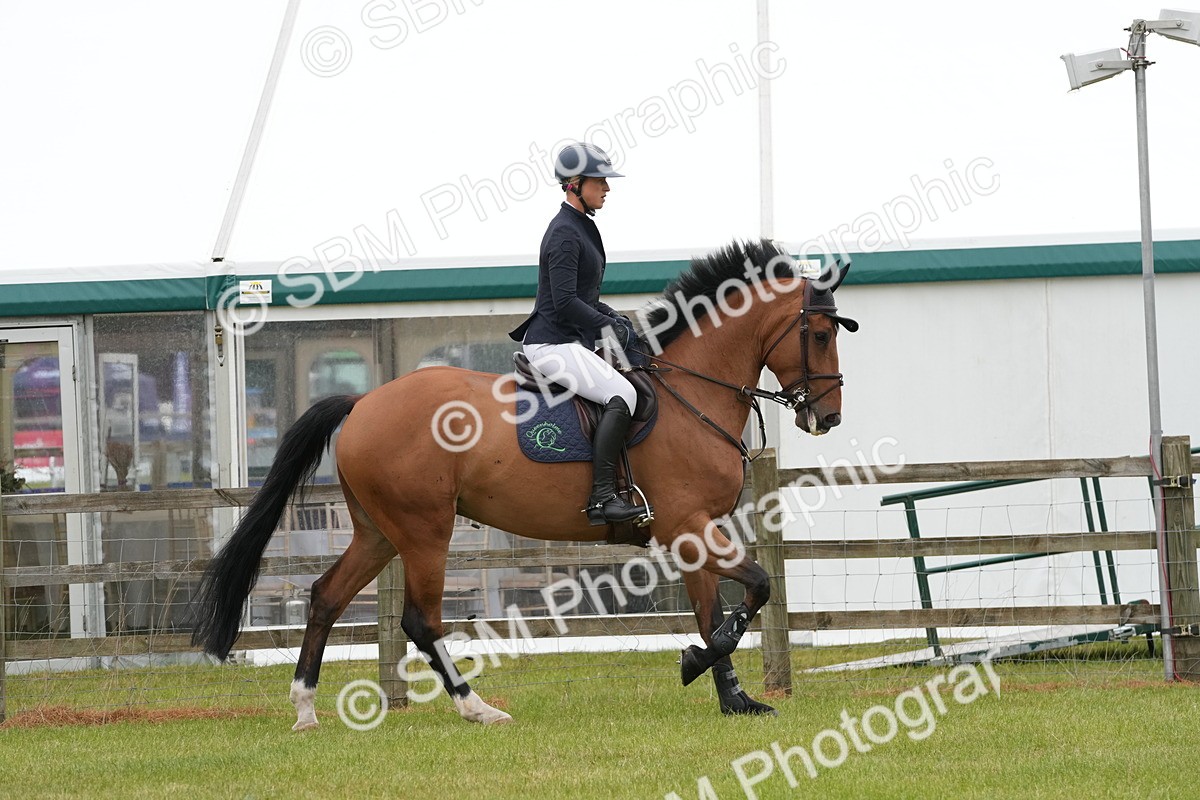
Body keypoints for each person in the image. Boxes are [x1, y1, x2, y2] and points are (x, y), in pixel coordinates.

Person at [508, 142, 651, 526]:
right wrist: (606, 326)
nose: (607, 188)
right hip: (550, 343)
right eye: (599, 181)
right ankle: (603, 498)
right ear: (574, 184)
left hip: (570, 339)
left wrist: (615, 317)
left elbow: (586, 298)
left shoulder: (582, 227)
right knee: (622, 393)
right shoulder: (564, 233)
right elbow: (566, 301)